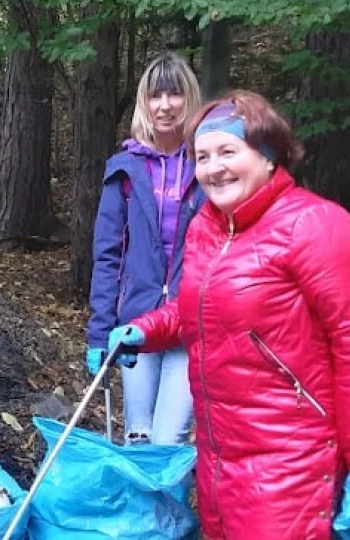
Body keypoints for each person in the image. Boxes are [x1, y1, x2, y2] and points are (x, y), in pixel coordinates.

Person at [109, 90, 350, 538]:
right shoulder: (207, 226)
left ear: (267, 155)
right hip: (220, 455)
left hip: (290, 462)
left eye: (227, 151)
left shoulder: (317, 226)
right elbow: (198, 314)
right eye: (202, 156)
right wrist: (144, 330)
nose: (213, 168)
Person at [86, 52, 204, 445]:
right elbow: (108, 255)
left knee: (168, 441)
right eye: (156, 96)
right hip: (136, 319)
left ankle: (166, 507)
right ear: (144, 103)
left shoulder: (210, 165)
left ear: (190, 100)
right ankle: (139, 509)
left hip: (191, 323)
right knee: (137, 435)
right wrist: (100, 334)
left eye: (175, 95)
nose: (166, 106)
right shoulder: (125, 168)